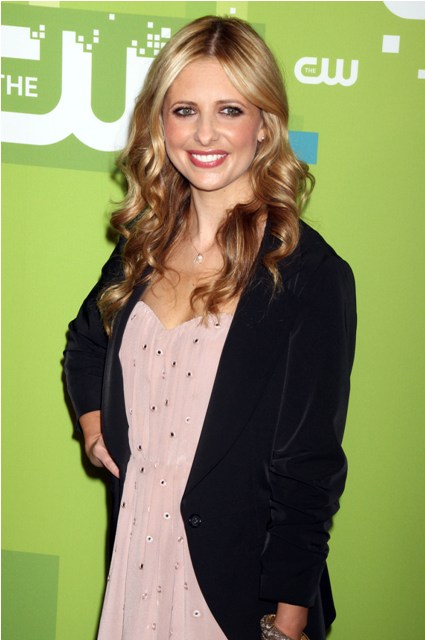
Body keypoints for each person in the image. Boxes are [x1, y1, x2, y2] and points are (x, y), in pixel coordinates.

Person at [64, 15, 356, 640]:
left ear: (265, 124)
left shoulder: (308, 273)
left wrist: (287, 619)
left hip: (235, 589)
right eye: (184, 110)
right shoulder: (143, 247)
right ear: (159, 123)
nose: (204, 133)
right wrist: (94, 428)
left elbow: (308, 465)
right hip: (136, 557)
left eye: (229, 109)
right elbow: (85, 342)